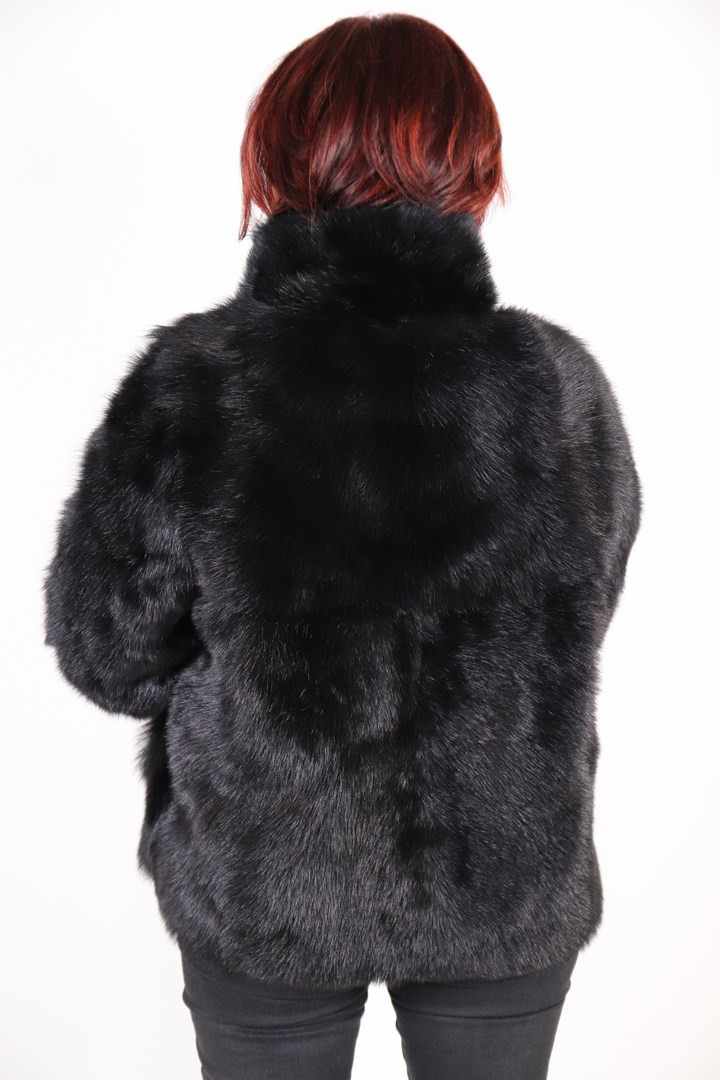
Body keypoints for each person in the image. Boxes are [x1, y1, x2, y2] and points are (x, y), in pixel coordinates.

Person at [42, 13, 642, 1080]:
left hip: (264, 889)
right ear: (472, 161)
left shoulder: (196, 385)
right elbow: (580, 610)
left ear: (276, 156)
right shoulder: (561, 389)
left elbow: (107, 653)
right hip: (502, 880)